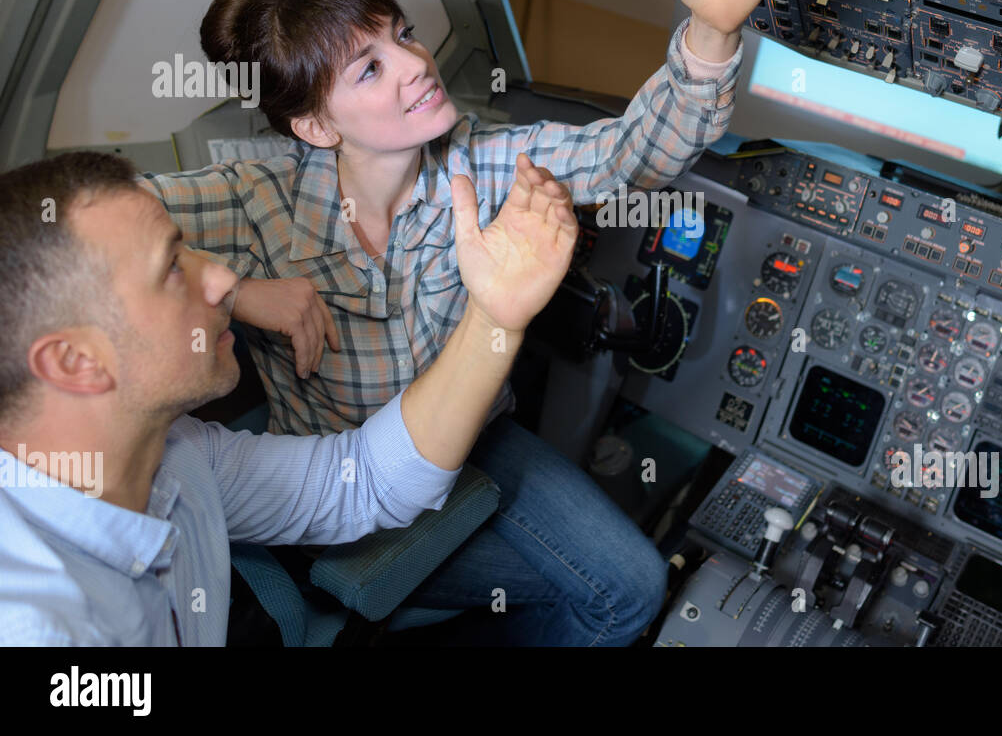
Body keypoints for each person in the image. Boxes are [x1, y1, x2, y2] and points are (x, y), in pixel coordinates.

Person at [138, 0, 806, 644]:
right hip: (341, 489)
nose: (417, 63)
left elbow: (630, 155)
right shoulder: (258, 196)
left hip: (479, 439)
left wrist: (712, 29)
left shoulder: (478, 163)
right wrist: (242, 289)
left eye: (404, 36)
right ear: (317, 128)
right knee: (613, 594)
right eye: (371, 68)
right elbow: (89, 228)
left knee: (631, 585)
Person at [0, 149, 577, 645]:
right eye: (173, 266)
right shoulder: (33, 621)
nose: (224, 279)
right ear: (75, 363)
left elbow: (364, 482)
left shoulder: (179, 454)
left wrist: (494, 316)